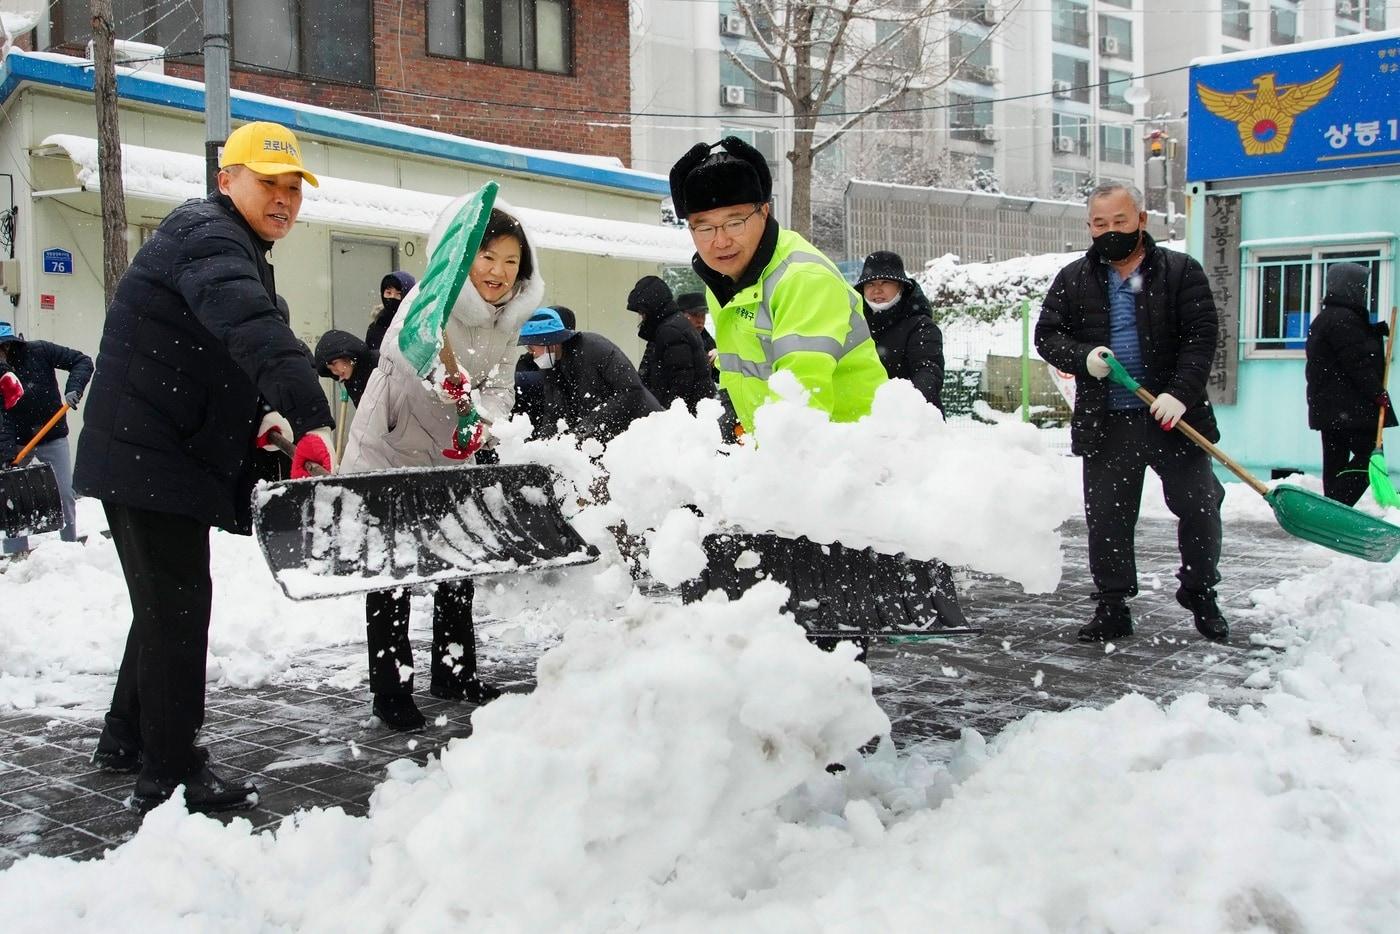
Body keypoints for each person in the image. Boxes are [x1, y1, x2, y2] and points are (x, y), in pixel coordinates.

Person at [73, 121, 335, 813]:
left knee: (163, 609)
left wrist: (267, 422)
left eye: (292, 189)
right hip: (149, 455)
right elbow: (251, 327)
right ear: (227, 180)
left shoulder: (227, 242)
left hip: (153, 452)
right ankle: (170, 773)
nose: (283, 200)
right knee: (178, 612)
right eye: (267, 184)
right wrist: (310, 417)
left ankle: (125, 737)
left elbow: (222, 352)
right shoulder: (209, 235)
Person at [342, 202, 545, 732]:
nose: (497, 271)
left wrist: (483, 419)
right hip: (389, 446)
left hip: (453, 452)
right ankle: (391, 691)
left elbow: (501, 387)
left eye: (510, 260)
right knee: (393, 571)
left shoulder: (508, 320)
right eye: (486, 255)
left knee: (458, 563)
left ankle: (454, 672)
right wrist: (440, 378)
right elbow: (400, 354)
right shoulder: (431, 297)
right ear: (465, 256)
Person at [1034, 183, 1228, 644]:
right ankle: (1113, 605)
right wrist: (1083, 357)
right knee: (1108, 518)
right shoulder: (1075, 278)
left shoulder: (1180, 272)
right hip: (1107, 420)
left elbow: (1201, 337)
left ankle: (1200, 591)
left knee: (1200, 506)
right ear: (1089, 227)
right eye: (1100, 224)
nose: (1110, 231)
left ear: (1141, 220)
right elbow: (1047, 335)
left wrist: (1179, 393)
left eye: (1119, 221)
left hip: (1172, 418)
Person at [668, 137, 887, 434]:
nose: (720, 241)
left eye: (735, 223)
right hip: (788, 455)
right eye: (705, 227)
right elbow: (747, 373)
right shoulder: (723, 282)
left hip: (847, 457)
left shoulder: (803, 279)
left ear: (764, 211)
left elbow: (800, 405)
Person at [1305, 262, 1395, 505]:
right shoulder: (1343, 319)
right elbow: (1357, 362)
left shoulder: (1330, 318)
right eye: (1362, 286)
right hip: (1349, 409)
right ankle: (1338, 503)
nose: (1365, 292)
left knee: (1335, 461)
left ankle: (1332, 508)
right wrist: (1377, 393)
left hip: (1331, 408)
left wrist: (1373, 332)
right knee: (1370, 456)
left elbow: (1349, 352)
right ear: (1350, 287)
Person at [0, 322, 93, 552]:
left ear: (9, 344)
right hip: (18, 440)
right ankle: (17, 554)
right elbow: (2, 416)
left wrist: (74, 388)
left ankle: (69, 545)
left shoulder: (39, 351)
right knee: (12, 498)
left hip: (52, 434)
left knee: (63, 492)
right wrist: (7, 453)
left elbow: (81, 361)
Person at [519, 307, 662, 444]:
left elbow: (632, 391)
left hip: (645, 433)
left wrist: (590, 424)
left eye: (531, 347)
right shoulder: (551, 367)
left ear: (549, 341)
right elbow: (553, 414)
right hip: (607, 441)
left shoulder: (595, 349)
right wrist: (543, 447)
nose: (530, 353)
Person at [854, 251, 945, 412]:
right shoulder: (855, 324)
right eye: (870, 284)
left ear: (901, 286)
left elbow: (928, 372)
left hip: (910, 422)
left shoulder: (921, 326)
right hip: (864, 421)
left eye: (885, 282)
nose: (877, 290)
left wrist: (904, 408)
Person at [627, 275, 714, 413]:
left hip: (682, 417)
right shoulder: (671, 327)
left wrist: (665, 414)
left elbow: (681, 382)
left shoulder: (670, 331)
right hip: (692, 412)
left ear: (653, 308)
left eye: (643, 312)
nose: (642, 317)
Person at [314, 329, 379, 407]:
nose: (335, 372)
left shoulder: (381, 363)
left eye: (335, 363)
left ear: (347, 355)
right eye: (330, 369)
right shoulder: (351, 382)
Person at [364, 270, 417, 353]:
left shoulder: (415, 326)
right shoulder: (375, 326)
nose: (392, 297)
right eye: (388, 293)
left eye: (398, 294)